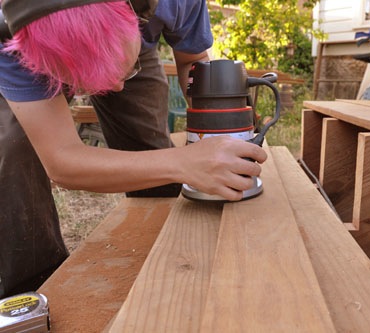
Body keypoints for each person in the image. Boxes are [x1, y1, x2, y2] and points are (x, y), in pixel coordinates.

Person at [0, 0, 267, 298]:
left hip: (135, 41)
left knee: (147, 143)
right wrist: (181, 161)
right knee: (12, 151)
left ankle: (175, 252)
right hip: (32, 53)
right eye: (90, 87)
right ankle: (29, 294)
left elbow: (192, 61)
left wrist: (217, 130)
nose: (113, 90)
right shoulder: (11, 40)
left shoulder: (175, 3)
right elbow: (62, 160)